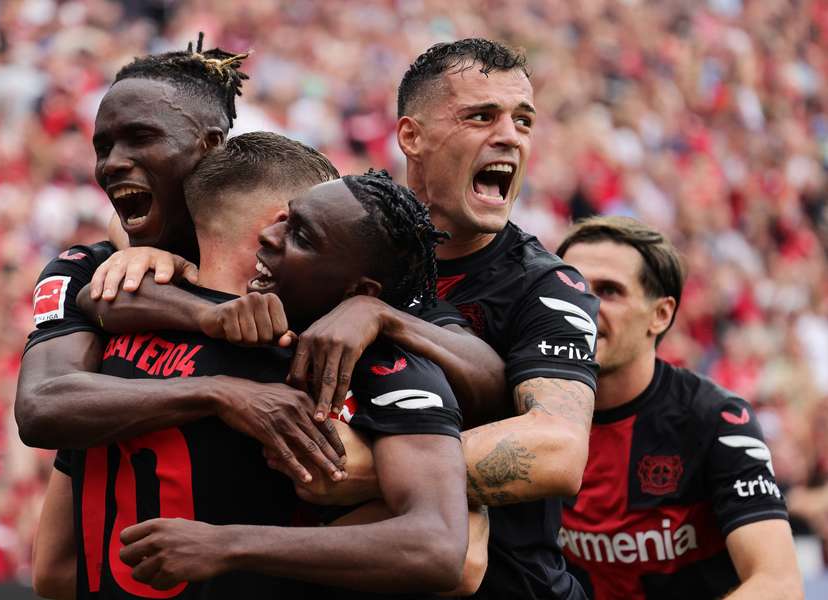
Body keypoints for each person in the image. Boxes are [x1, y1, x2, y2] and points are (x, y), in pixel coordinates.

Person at [91, 38, 599, 599]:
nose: (509, 135)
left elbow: (558, 450)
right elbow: (233, 217)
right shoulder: (344, 216)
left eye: (523, 120)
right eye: (482, 116)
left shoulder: (547, 284)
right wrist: (145, 249)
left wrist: (375, 466)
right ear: (412, 136)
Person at [76, 159, 470, 598]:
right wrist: (206, 317)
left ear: (360, 292)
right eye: (287, 216)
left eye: (301, 236)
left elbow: (436, 547)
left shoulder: (391, 367)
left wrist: (228, 545)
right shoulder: (236, 312)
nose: (269, 235)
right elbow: (95, 301)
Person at [556, 216, 803, 599]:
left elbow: (779, 583)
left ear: (661, 314)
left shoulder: (717, 420)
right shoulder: (526, 406)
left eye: (609, 291)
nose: (584, 305)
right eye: (572, 287)